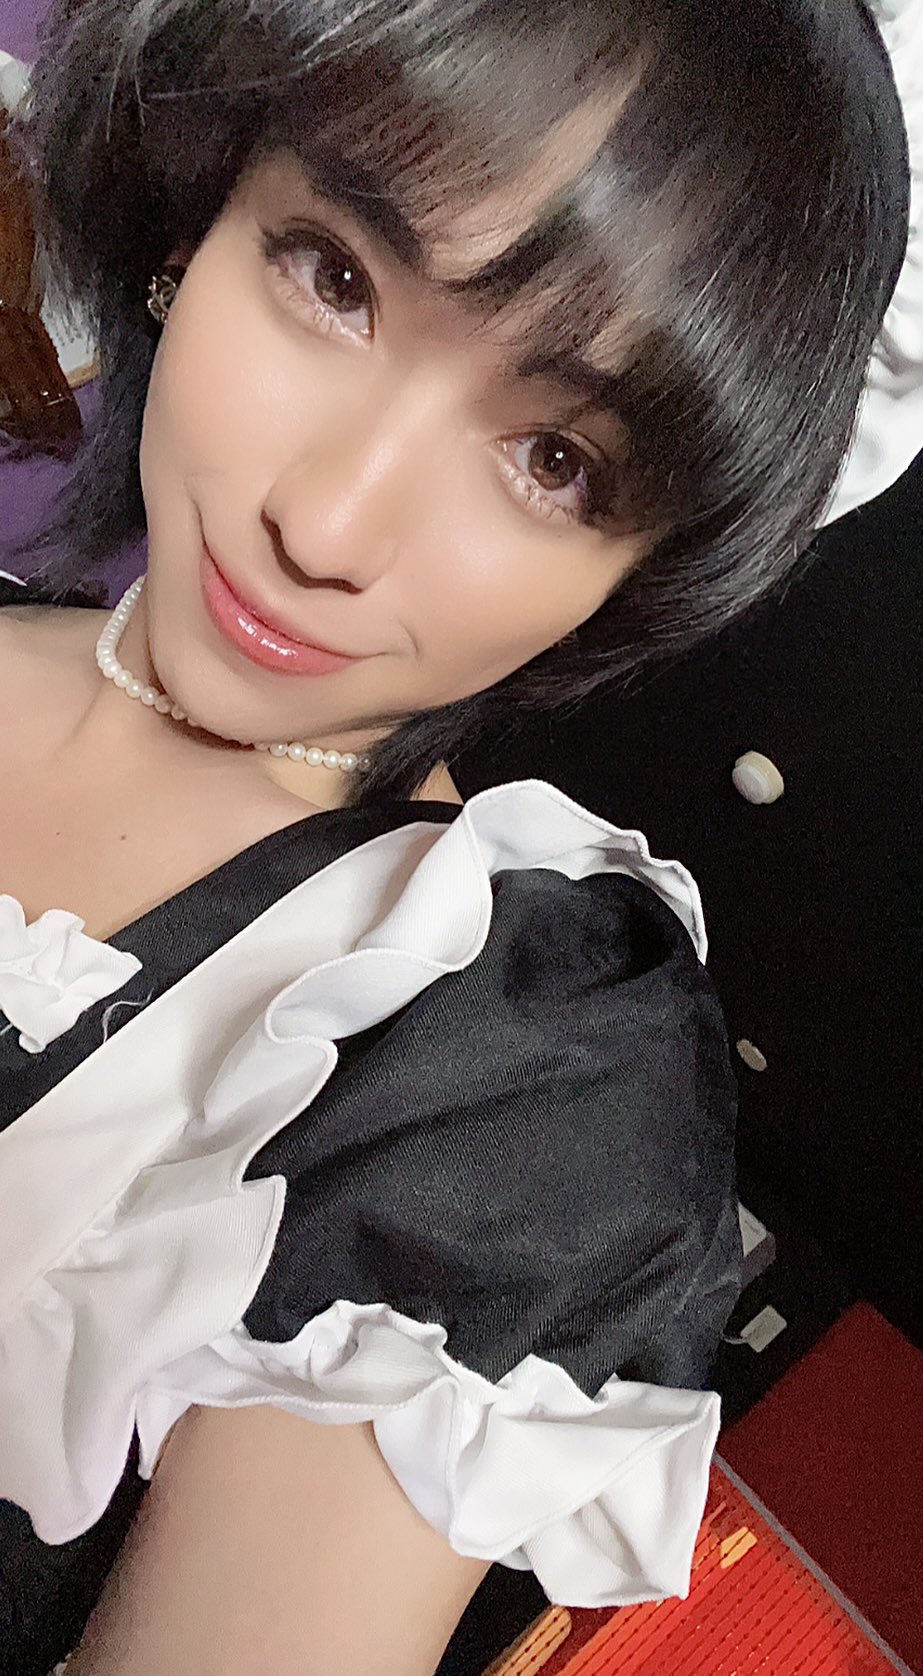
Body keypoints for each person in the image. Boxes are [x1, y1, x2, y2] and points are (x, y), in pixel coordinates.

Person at [0, 1, 911, 1672]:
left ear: (642, 568)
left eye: (553, 460)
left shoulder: (494, 1092)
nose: (324, 523)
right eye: (332, 277)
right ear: (198, 216)